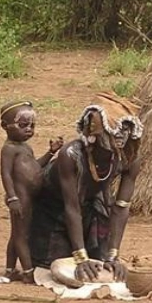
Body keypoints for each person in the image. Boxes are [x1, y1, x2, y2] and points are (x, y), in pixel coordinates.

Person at [28, 93, 143, 284]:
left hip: (90, 208)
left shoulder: (129, 158)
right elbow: (71, 207)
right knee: (53, 265)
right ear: (95, 134)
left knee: (102, 262)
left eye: (125, 130)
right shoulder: (71, 155)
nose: (121, 137)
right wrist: (81, 258)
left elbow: (121, 207)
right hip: (52, 210)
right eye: (114, 130)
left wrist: (113, 254)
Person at [0, 101, 62, 283]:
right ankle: (28, 272)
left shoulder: (25, 148)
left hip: (29, 197)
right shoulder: (9, 149)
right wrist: (12, 197)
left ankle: (10, 270)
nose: (29, 130)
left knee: (17, 234)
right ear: (5, 126)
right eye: (23, 125)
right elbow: (5, 174)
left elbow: (35, 167)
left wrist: (51, 153)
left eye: (32, 125)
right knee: (21, 235)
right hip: (20, 197)